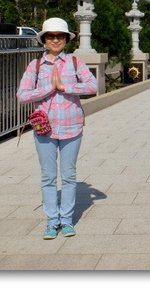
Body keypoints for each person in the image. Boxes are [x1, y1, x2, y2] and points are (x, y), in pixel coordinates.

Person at [17, 17, 98, 239]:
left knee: (69, 176)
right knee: (48, 177)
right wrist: (46, 90)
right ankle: (52, 221)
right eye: (51, 36)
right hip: (44, 128)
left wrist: (65, 87)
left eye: (59, 36)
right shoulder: (35, 65)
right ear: (44, 40)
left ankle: (67, 220)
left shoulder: (74, 63)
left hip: (72, 126)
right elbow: (22, 95)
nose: (55, 40)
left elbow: (93, 85)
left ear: (65, 39)